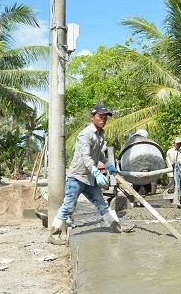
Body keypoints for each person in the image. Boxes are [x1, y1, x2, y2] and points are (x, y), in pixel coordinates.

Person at [47, 104, 135, 245]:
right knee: (69, 206)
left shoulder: (100, 135)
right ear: (92, 117)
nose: (103, 120)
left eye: (105, 117)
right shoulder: (85, 134)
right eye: (100, 117)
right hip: (77, 176)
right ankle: (54, 234)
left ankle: (116, 228)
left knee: (102, 204)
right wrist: (96, 171)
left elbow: (98, 154)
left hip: (90, 178)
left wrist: (109, 165)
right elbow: (86, 156)